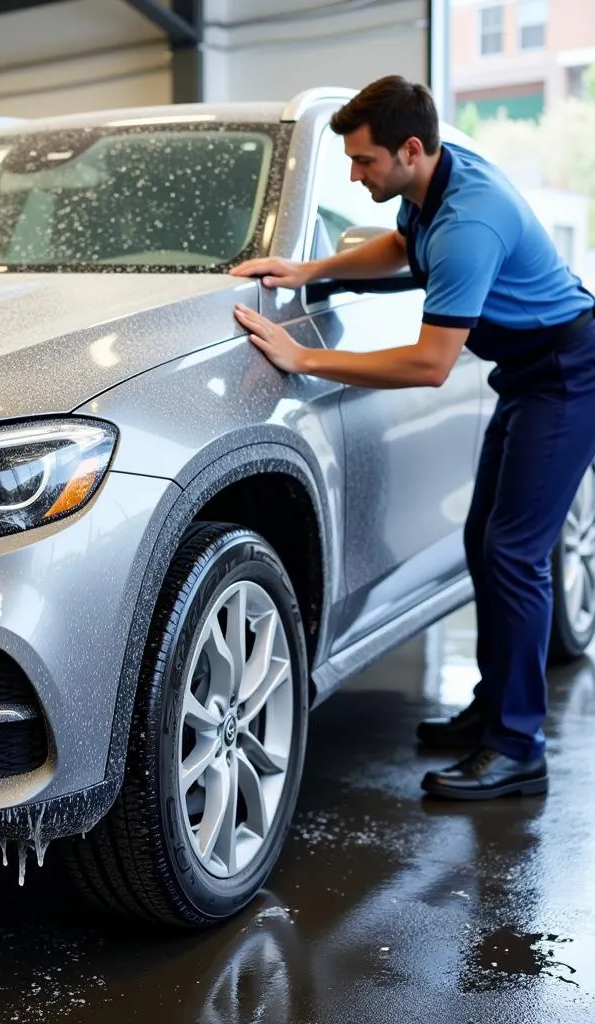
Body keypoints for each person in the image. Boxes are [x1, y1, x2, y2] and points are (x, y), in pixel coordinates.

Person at [230, 75, 595, 802]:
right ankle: (497, 711)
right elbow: (399, 245)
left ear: (411, 149)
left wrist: (304, 358)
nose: (354, 174)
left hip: (567, 375)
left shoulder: (469, 222)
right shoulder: (429, 190)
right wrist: (312, 270)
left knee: (513, 554)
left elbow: (429, 365)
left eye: (364, 162)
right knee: (484, 543)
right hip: (530, 373)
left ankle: (518, 748)